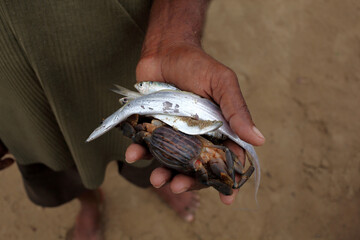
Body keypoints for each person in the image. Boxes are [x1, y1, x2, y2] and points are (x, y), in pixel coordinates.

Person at [0, 0, 265, 239]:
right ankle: (89, 202)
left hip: (132, 46)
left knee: (142, 157)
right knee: (52, 157)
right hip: (13, 94)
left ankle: (148, 183)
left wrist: (171, 33)